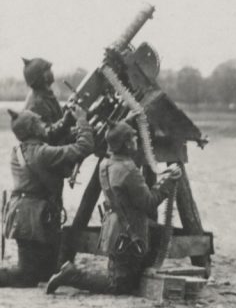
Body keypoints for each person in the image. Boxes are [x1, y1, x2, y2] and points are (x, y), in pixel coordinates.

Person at [0, 106, 93, 288]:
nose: (44, 125)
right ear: (33, 129)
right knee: (25, 277)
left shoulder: (21, 150)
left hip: (24, 215)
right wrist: (83, 121)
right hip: (32, 219)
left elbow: (48, 136)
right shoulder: (42, 153)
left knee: (46, 273)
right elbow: (84, 147)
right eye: (39, 122)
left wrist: (66, 122)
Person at [45, 122, 181, 295]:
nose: (136, 139)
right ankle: (71, 275)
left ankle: (71, 273)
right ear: (126, 143)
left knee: (120, 274)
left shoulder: (106, 164)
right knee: (118, 286)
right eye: (132, 138)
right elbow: (148, 202)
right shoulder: (129, 170)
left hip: (115, 228)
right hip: (129, 231)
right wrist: (168, 183)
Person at [22, 57, 74, 145]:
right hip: (50, 152)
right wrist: (65, 122)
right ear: (43, 76)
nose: (52, 72)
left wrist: (67, 110)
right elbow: (47, 135)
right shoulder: (37, 103)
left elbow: (55, 117)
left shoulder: (45, 95)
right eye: (49, 70)